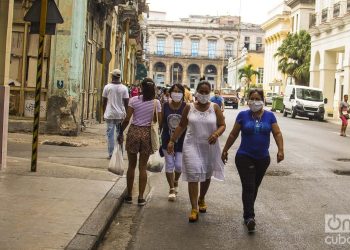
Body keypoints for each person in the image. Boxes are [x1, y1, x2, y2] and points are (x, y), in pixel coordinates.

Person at [221, 88, 284, 233]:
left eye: (257, 99)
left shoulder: (270, 116)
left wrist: (280, 150)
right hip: (244, 156)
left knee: (254, 187)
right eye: (252, 99)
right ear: (248, 100)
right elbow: (233, 134)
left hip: (262, 158)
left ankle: (247, 211)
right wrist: (225, 150)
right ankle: (249, 217)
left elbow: (277, 133)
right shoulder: (243, 115)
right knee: (249, 186)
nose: (255, 102)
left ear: (262, 100)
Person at [167, 80, 226, 222]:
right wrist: (172, 141)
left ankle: (202, 198)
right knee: (193, 174)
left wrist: (216, 134)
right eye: (202, 92)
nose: (204, 94)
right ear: (197, 92)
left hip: (209, 146)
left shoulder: (215, 107)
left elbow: (222, 125)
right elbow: (181, 125)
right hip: (191, 145)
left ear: (210, 93)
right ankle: (194, 208)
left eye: (207, 92)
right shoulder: (189, 107)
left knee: (206, 175)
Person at [121, 78, 161, 206]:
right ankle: (141, 197)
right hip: (147, 134)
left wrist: (120, 132)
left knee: (131, 166)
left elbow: (127, 119)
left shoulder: (133, 100)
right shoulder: (156, 103)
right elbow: (158, 121)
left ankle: (128, 196)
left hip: (133, 132)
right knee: (142, 167)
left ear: (142, 88)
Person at [161, 84, 186, 201]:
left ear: (183, 93)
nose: (176, 93)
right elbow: (160, 122)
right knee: (169, 164)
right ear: (170, 93)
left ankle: (176, 181)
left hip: (181, 141)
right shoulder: (165, 106)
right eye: (174, 91)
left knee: (179, 166)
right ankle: (171, 188)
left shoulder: (186, 107)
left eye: (179, 91)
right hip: (167, 139)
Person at [102, 69, 129, 159]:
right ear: (119, 77)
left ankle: (111, 154)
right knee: (119, 133)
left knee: (110, 134)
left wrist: (104, 112)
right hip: (120, 115)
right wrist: (127, 115)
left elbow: (104, 101)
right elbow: (126, 103)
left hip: (109, 114)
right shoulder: (124, 88)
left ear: (112, 76)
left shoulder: (107, 87)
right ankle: (119, 153)